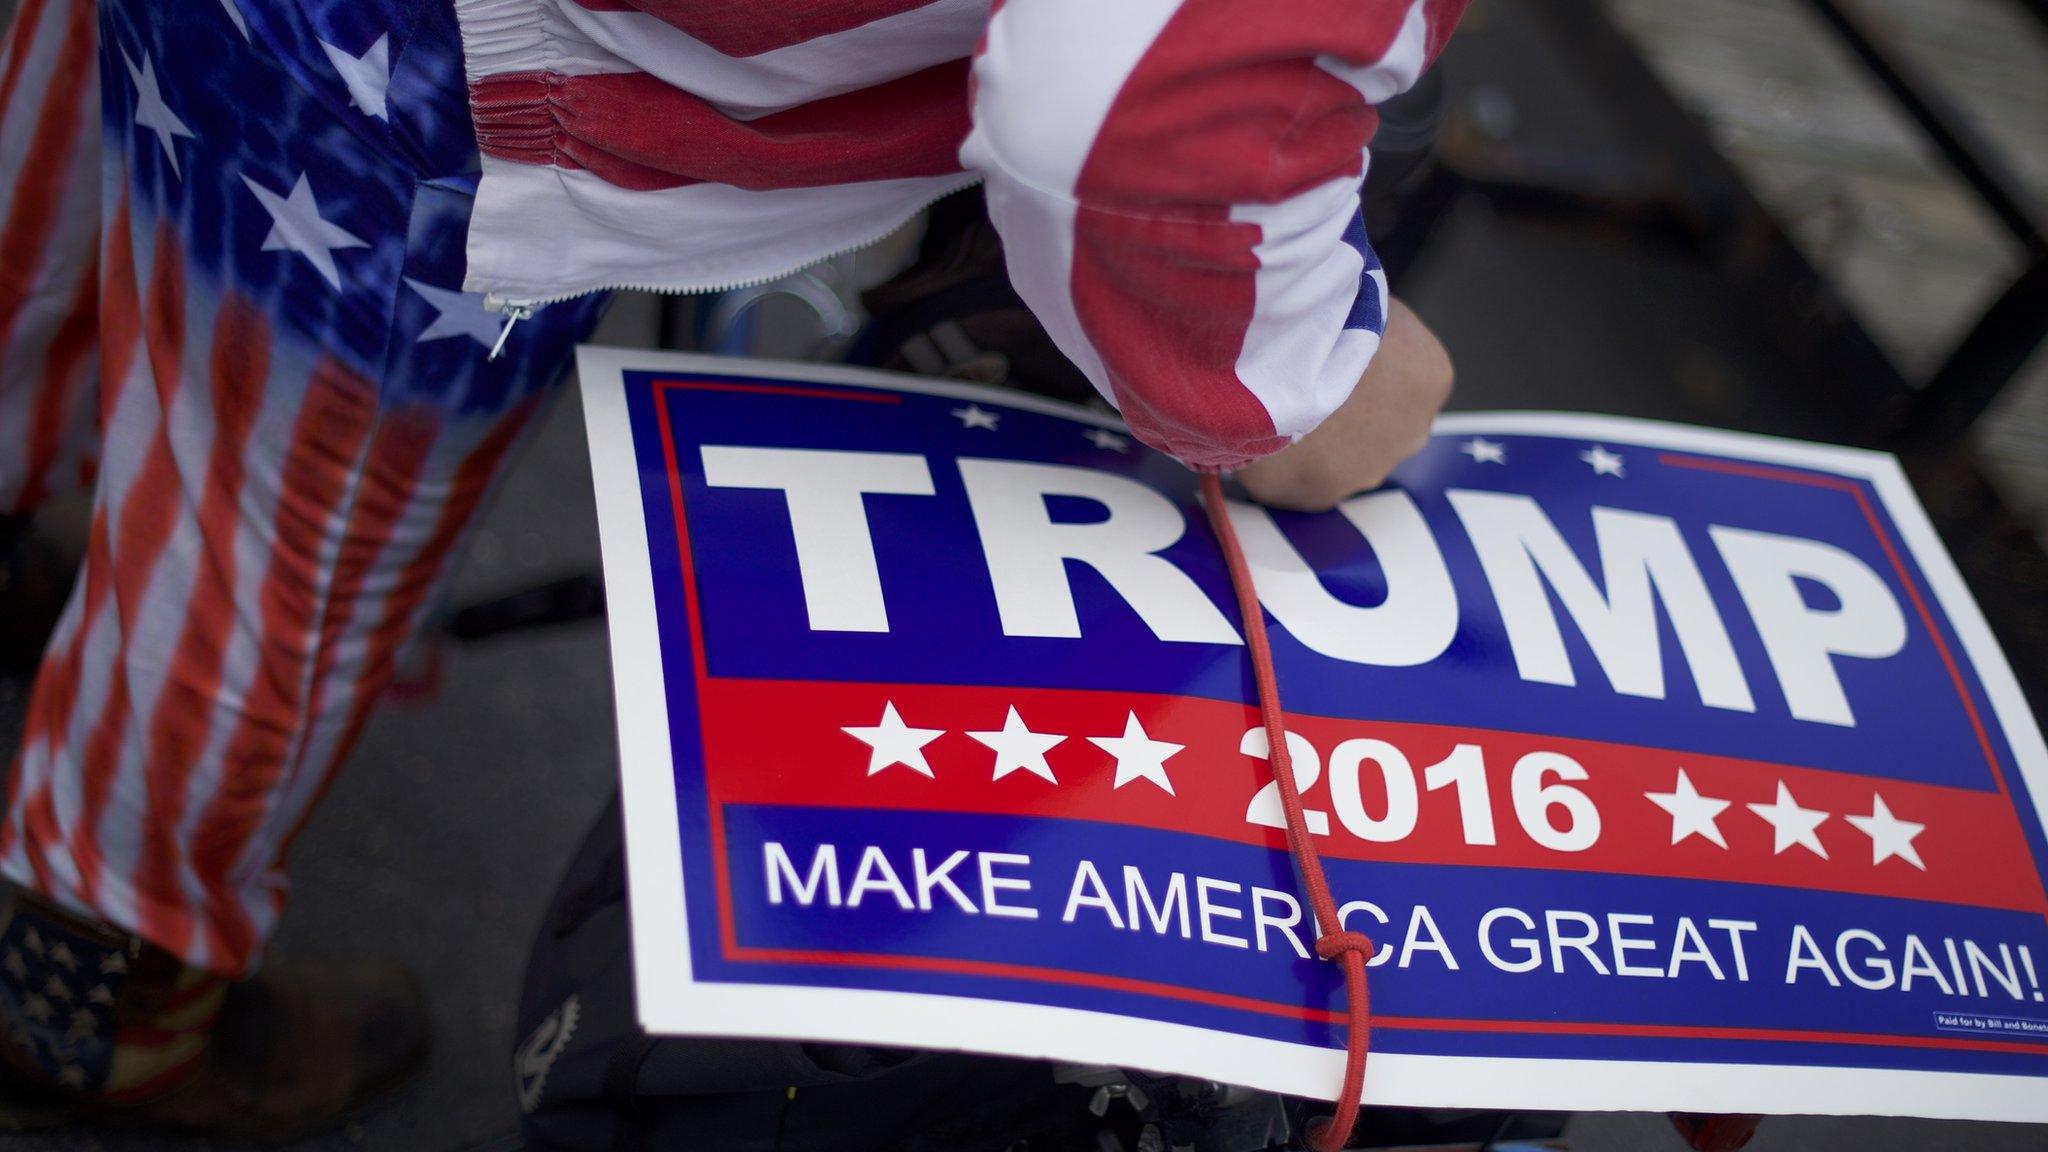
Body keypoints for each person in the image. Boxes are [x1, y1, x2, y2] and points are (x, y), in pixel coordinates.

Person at [0, 0, 1460, 1139]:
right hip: (434, 63)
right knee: (278, 536)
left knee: (54, 182)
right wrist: (1292, 375)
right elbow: (1122, 120)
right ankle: (103, 973)